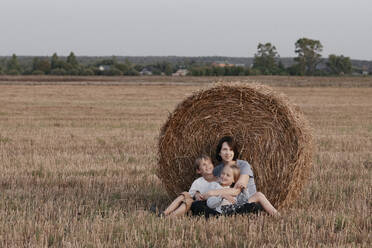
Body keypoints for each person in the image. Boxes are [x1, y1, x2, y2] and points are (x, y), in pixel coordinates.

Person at [191, 136, 279, 217]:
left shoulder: (243, 165)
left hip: (247, 201)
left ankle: (277, 216)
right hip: (225, 203)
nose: (228, 153)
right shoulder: (217, 170)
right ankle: (221, 216)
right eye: (225, 149)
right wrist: (197, 193)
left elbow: (236, 191)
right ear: (219, 152)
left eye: (231, 150)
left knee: (258, 196)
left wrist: (211, 193)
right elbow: (207, 183)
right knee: (197, 205)